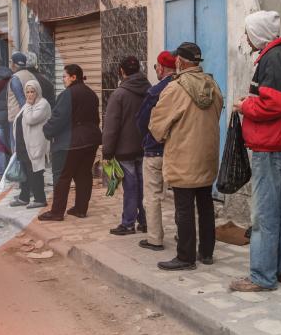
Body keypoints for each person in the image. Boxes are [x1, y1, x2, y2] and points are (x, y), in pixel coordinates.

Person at [230, 11, 281, 292]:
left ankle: (262, 276)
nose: (246, 38)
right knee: (280, 210)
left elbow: (276, 103)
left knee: (263, 214)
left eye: (248, 32)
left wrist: (243, 106)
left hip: (270, 145)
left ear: (259, 33)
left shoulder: (272, 59)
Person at [150, 42, 223, 270]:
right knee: (205, 204)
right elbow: (217, 113)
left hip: (183, 156)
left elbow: (157, 125)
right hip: (207, 155)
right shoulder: (212, 84)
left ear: (180, 61)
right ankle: (207, 253)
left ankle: (186, 257)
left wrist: (167, 136)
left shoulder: (175, 88)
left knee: (184, 207)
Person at [38, 64, 102, 221]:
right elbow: (95, 119)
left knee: (62, 176)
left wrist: (47, 131)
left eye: (65, 77)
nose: (63, 80)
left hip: (70, 142)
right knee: (83, 174)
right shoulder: (91, 94)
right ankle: (80, 209)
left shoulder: (68, 94)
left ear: (74, 77)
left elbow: (58, 118)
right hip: (91, 140)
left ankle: (57, 212)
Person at [102, 56, 151, 235]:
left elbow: (111, 126)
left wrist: (107, 151)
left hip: (124, 149)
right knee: (141, 185)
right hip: (144, 147)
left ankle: (128, 223)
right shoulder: (150, 90)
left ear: (122, 71)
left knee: (130, 187)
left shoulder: (119, 94)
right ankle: (145, 221)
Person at [136, 51, 177, 251]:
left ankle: (155, 238)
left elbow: (142, 121)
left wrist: (148, 138)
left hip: (155, 150)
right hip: (177, 150)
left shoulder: (156, 92)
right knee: (182, 196)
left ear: (160, 68)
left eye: (156, 67)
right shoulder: (182, 89)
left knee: (152, 195)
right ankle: (182, 233)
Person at [9, 80, 52, 209]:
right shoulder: (28, 105)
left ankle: (40, 199)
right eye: (27, 92)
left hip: (35, 145)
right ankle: (24, 197)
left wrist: (28, 104)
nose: (29, 95)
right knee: (25, 173)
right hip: (24, 144)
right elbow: (19, 120)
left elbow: (30, 119)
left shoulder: (42, 104)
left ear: (37, 91)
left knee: (35, 172)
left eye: (32, 91)